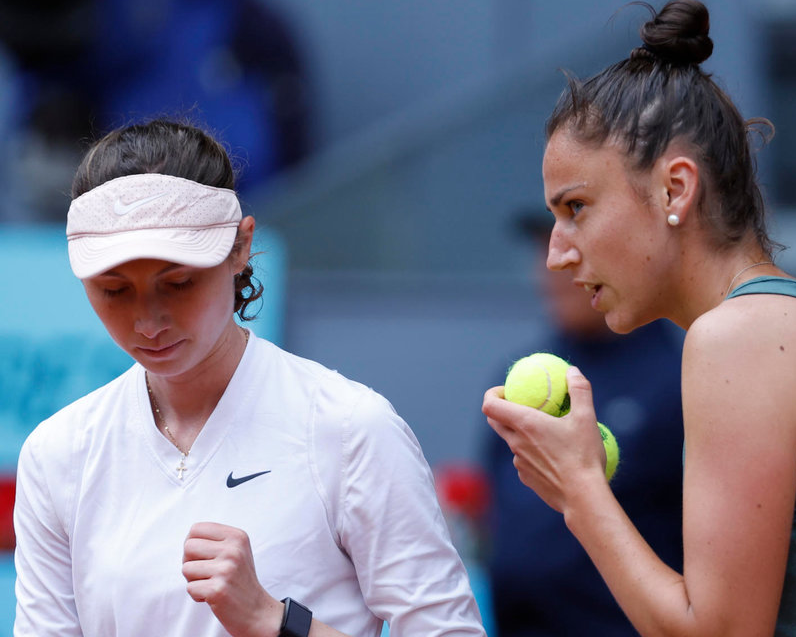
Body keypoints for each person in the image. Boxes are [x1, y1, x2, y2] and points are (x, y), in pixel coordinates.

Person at [482, 0, 796, 636]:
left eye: (577, 207)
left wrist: (579, 488)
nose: (558, 255)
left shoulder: (740, 338)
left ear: (676, 188)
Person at [13, 120, 486, 637]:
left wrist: (275, 622)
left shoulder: (350, 429)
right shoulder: (58, 454)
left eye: (178, 283)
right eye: (114, 290)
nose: (147, 321)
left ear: (240, 248)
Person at [482, 212, 684, 636]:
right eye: (542, 251)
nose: (551, 267)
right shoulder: (517, 371)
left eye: (573, 250)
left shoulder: (679, 378)